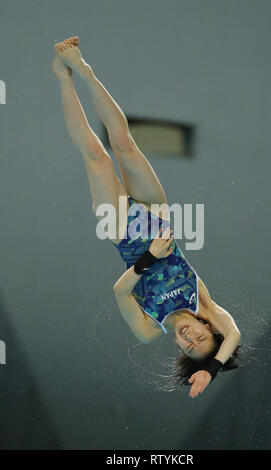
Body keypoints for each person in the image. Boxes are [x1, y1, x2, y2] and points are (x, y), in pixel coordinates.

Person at [51, 36, 242, 398]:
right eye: (200, 337)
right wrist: (212, 370)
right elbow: (235, 335)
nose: (189, 337)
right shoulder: (202, 304)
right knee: (123, 142)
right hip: (156, 215)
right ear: (208, 327)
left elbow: (120, 291)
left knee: (95, 152)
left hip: (122, 230)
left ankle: (62, 76)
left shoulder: (149, 328)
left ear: (178, 349)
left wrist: (149, 258)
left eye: (187, 347)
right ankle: (84, 71)